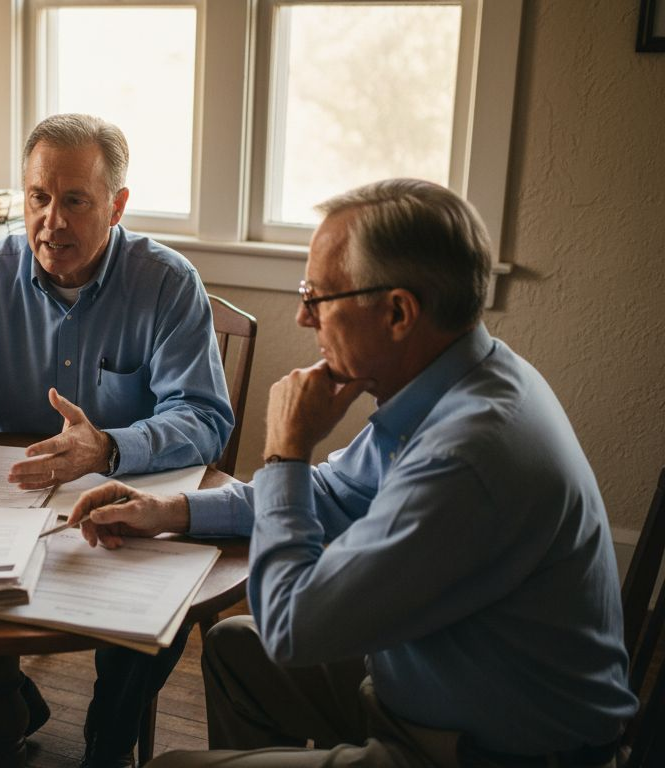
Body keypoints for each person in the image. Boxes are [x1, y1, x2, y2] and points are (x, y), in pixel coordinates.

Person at [68, 179, 637, 767]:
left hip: (486, 753)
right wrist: (171, 511)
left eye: (319, 295)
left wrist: (286, 451)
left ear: (397, 312)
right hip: (427, 685)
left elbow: (292, 626)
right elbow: (336, 491)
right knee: (237, 648)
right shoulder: (458, 382)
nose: (303, 315)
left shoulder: (466, 457)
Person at [0, 114, 234, 768]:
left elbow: (205, 418)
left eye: (75, 201)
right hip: (8, 494)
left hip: (130, 498)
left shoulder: (167, 282)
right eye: (39, 198)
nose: (52, 221)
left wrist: (109, 448)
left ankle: (107, 744)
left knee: (159, 605)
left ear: (117, 206)